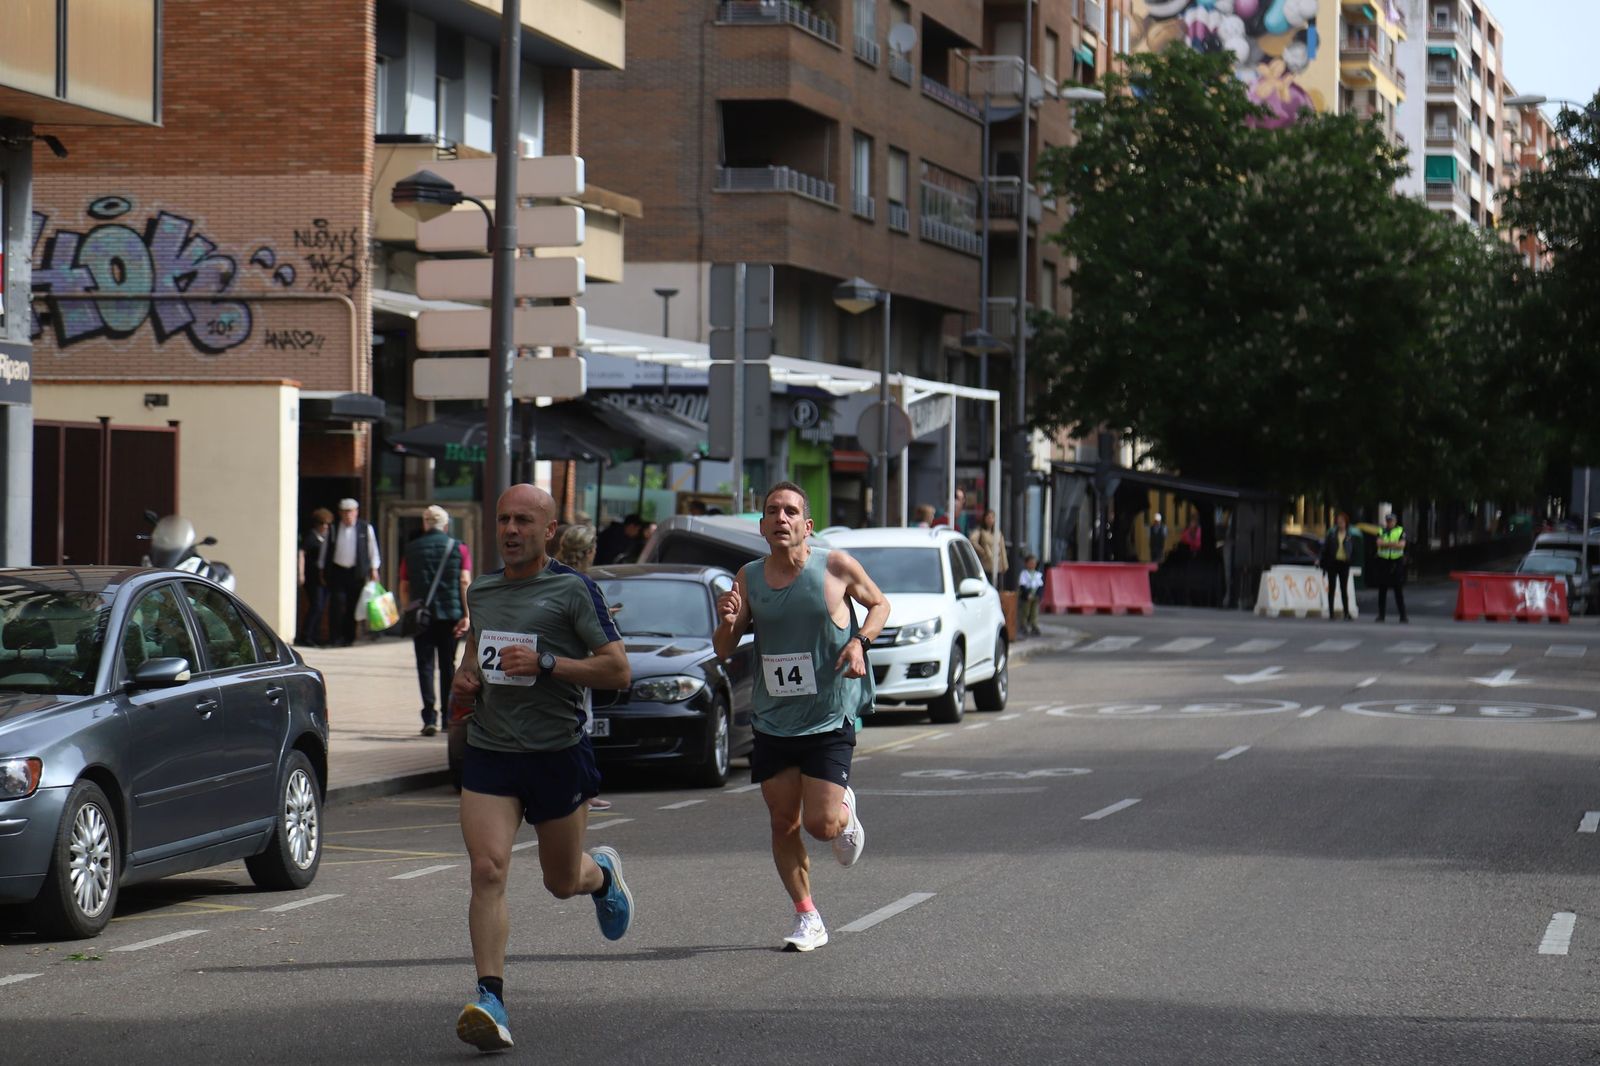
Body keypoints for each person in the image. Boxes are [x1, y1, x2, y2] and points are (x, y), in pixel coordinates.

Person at [450, 485, 634, 1052]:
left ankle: (600, 874)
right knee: (487, 870)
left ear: (548, 530)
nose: (510, 530)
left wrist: (549, 663)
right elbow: (473, 653)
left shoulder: (574, 590)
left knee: (561, 882)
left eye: (524, 521)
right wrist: (464, 679)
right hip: (490, 749)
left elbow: (618, 670)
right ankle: (490, 998)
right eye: (503, 519)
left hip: (556, 753)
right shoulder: (480, 590)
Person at [712, 481, 889, 952]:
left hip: (829, 716)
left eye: (790, 511)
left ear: (807, 526)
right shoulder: (748, 577)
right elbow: (724, 648)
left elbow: (880, 604)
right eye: (772, 511)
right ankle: (807, 916)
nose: (780, 518)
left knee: (820, 826)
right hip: (773, 719)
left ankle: (844, 814)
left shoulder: (834, 566)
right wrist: (728, 619)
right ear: (763, 526)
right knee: (782, 822)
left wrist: (859, 642)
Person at [554, 524, 612, 813]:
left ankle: (582, 789)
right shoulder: (583, 584)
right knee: (580, 723)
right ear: (589, 551)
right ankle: (584, 790)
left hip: (550, 661)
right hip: (575, 663)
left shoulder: (550, 576)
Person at [401, 505, 472, 735]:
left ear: (425, 524)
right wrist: (467, 614)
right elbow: (464, 581)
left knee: (425, 666)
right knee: (447, 666)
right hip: (450, 615)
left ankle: (429, 717)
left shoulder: (411, 548)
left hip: (421, 615)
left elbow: (404, 584)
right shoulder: (458, 548)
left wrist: (408, 609)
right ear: (446, 525)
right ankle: (446, 718)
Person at [318, 497, 380, 647]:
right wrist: (321, 569)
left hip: (356, 572)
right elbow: (325, 550)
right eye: (345, 512)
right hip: (338, 571)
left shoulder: (365, 528)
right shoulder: (333, 528)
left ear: (356, 512)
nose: (348, 515)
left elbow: (373, 550)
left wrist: (374, 568)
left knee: (353, 606)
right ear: (340, 513)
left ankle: (349, 638)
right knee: (337, 604)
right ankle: (334, 638)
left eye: (350, 512)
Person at [295, 508, 333, 647]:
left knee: (321, 606)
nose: (325, 526)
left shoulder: (327, 537)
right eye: (322, 523)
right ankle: (306, 635)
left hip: (323, 578)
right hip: (312, 577)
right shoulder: (311, 536)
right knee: (316, 605)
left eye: (327, 524)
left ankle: (315, 635)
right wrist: (301, 573)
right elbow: (301, 554)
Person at [1319, 512, 1358, 621]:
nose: (1340, 523)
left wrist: (1351, 560)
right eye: (1338, 521)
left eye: (1342, 521)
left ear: (1346, 523)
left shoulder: (1349, 535)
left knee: (1343, 588)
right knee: (1332, 587)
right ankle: (1331, 612)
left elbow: (1354, 550)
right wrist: (1322, 561)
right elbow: (1325, 548)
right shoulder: (1332, 534)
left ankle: (1346, 612)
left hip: (1344, 563)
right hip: (1333, 563)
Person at [1374, 512, 1409, 623]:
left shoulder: (1400, 531)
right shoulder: (1381, 531)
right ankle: (1381, 615)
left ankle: (1403, 615)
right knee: (1382, 589)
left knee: (1398, 589)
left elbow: (1402, 545)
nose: (1389, 523)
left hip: (1396, 561)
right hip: (1383, 561)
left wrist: (1387, 543)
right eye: (1388, 521)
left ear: (1395, 521)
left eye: (1391, 521)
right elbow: (1379, 543)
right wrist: (1394, 543)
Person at [969, 508, 1008, 586]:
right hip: (987, 565)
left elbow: (1002, 548)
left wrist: (1005, 563)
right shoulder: (980, 531)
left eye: (992, 518)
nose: (990, 520)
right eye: (988, 518)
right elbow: (972, 540)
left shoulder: (998, 533)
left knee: (998, 587)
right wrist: (982, 551)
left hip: (997, 565)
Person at [1017, 554, 1044, 637]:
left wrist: (1039, 595)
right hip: (1027, 596)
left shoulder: (1038, 574)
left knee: (1034, 611)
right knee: (1025, 611)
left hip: (1035, 596)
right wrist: (1027, 594)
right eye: (1030, 563)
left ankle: (1033, 625)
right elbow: (1022, 585)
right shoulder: (1024, 574)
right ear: (1026, 564)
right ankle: (1023, 625)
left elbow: (1040, 586)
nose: (1032, 564)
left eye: (1034, 563)